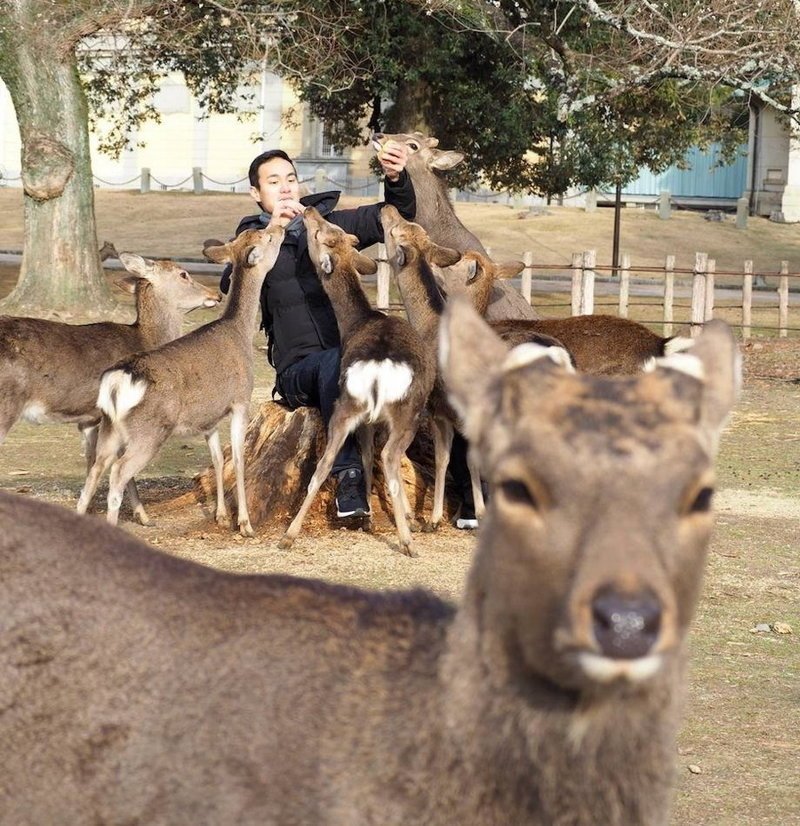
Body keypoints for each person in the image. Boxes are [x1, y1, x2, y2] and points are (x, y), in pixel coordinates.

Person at [220, 144, 415, 519]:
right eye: (274, 182)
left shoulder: (329, 225)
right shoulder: (251, 238)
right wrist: (273, 232)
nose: (286, 188)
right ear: (256, 194)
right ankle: (349, 479)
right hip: (299, 372)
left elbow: (394, 217)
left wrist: (396, 178)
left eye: (291, 179)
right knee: (332, 363)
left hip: (354, 360)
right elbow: (232, 284)